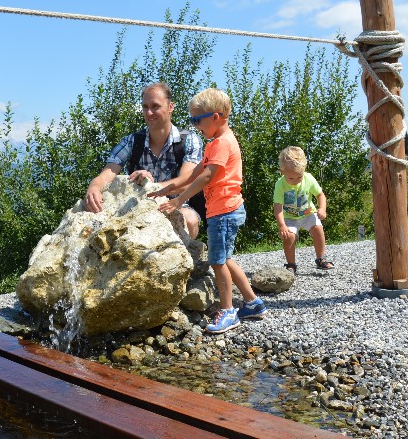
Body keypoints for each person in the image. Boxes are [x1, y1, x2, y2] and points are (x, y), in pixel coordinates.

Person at [149, 88, 266, 334]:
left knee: (217, 261)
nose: (194, 126)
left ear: (217, 116)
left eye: (197, 120)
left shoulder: (223, 143)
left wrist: (179, 200)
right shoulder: (214, 144)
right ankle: (253, 303)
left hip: (224, 211)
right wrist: (165, 189)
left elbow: (205, 177)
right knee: (226, 258)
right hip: (222, 210)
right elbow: (192, 173)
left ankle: (228, 311)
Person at [83, 82, 203, 239]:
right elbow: (107, 173)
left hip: (176, 206)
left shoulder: (189, 140)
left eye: (155, 106)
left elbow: (187, 183)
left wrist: (150, 186)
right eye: (145, 107)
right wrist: (94, 187)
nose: (149, 112)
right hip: (138, 209)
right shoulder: (131, 141)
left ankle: (185, 260)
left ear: (170, 107)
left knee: (190, 219)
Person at [273, 146, 334, 273]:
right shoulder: (280, 184)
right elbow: (278, 206)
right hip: (289, 217)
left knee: (318, 229)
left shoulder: (309, 178)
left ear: (304, 171)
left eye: (299, 177)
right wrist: (282, 225)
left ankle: (321, 259)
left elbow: (320, 194)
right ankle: (291, 264)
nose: (295, 181)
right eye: (291, 178)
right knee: (288, 237)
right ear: (282, 171)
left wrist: (322, 208)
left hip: (308, 214)